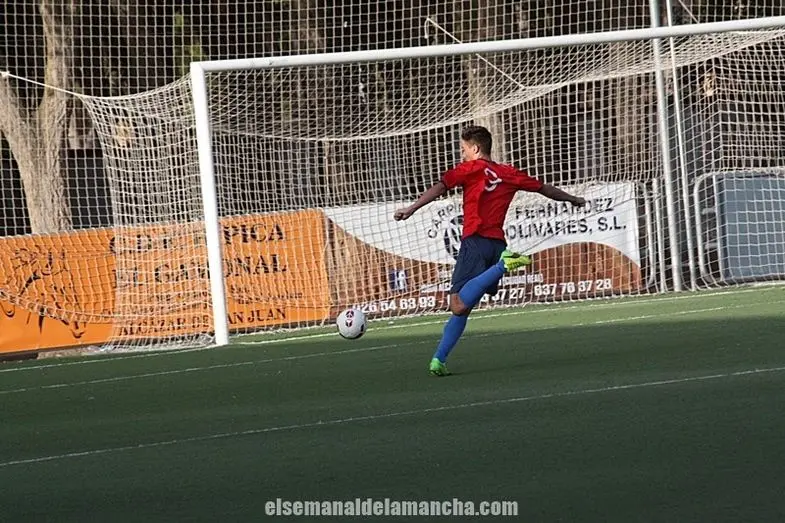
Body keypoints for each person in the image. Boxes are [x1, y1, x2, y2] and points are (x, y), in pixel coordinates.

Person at [394, 125, 586, 376]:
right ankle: (438, 360)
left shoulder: (470, 168)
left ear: (475, 148)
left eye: (463, 149)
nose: (462, 154)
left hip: (475, 242)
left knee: (457, 305)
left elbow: (441, 186)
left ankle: (504, 265)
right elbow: (544, 189)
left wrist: (411, 208)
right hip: (496, 245)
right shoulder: (508, 172)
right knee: (465, 307)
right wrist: (573, 199)